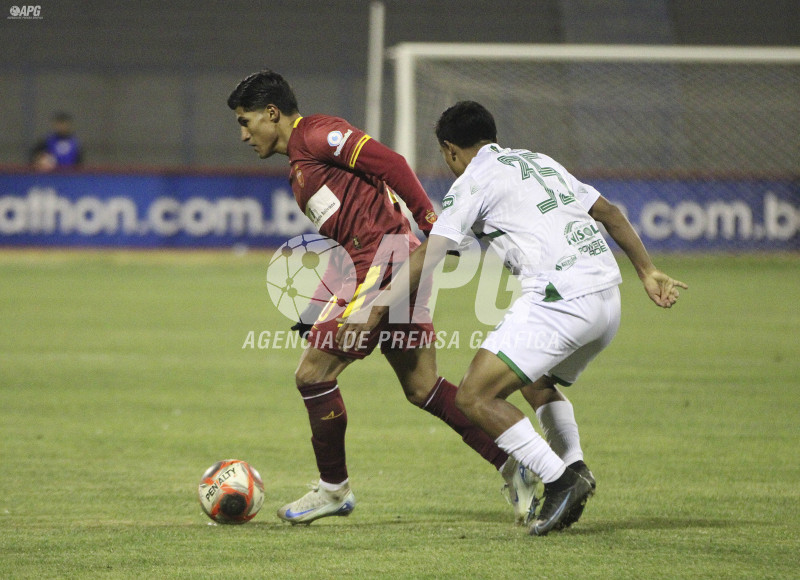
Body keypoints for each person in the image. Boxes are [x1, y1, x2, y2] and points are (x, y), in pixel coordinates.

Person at [337, 101, 688, 536]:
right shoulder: (539, 161)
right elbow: (611, 214)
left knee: (474, 397)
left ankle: (560, 480)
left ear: (450, 150)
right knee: (535, 380)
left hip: (561, 300)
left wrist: (373, 310)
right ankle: (575, 465)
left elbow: (431, 253)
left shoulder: (474, 179)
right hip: (607, 301)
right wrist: (648, 271)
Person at [227, 72, 538, 525]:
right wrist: (320, 300)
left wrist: (431, 220)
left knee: (314, 373)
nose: (242, 134)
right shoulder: (298, 163)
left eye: (245, 121)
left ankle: (334, 489)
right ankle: (516, 463)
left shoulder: (316, 135)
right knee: (423, 387)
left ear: (272, 113)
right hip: (384, 260)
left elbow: (388, 161)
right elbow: (349, 228)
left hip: (387, 260)